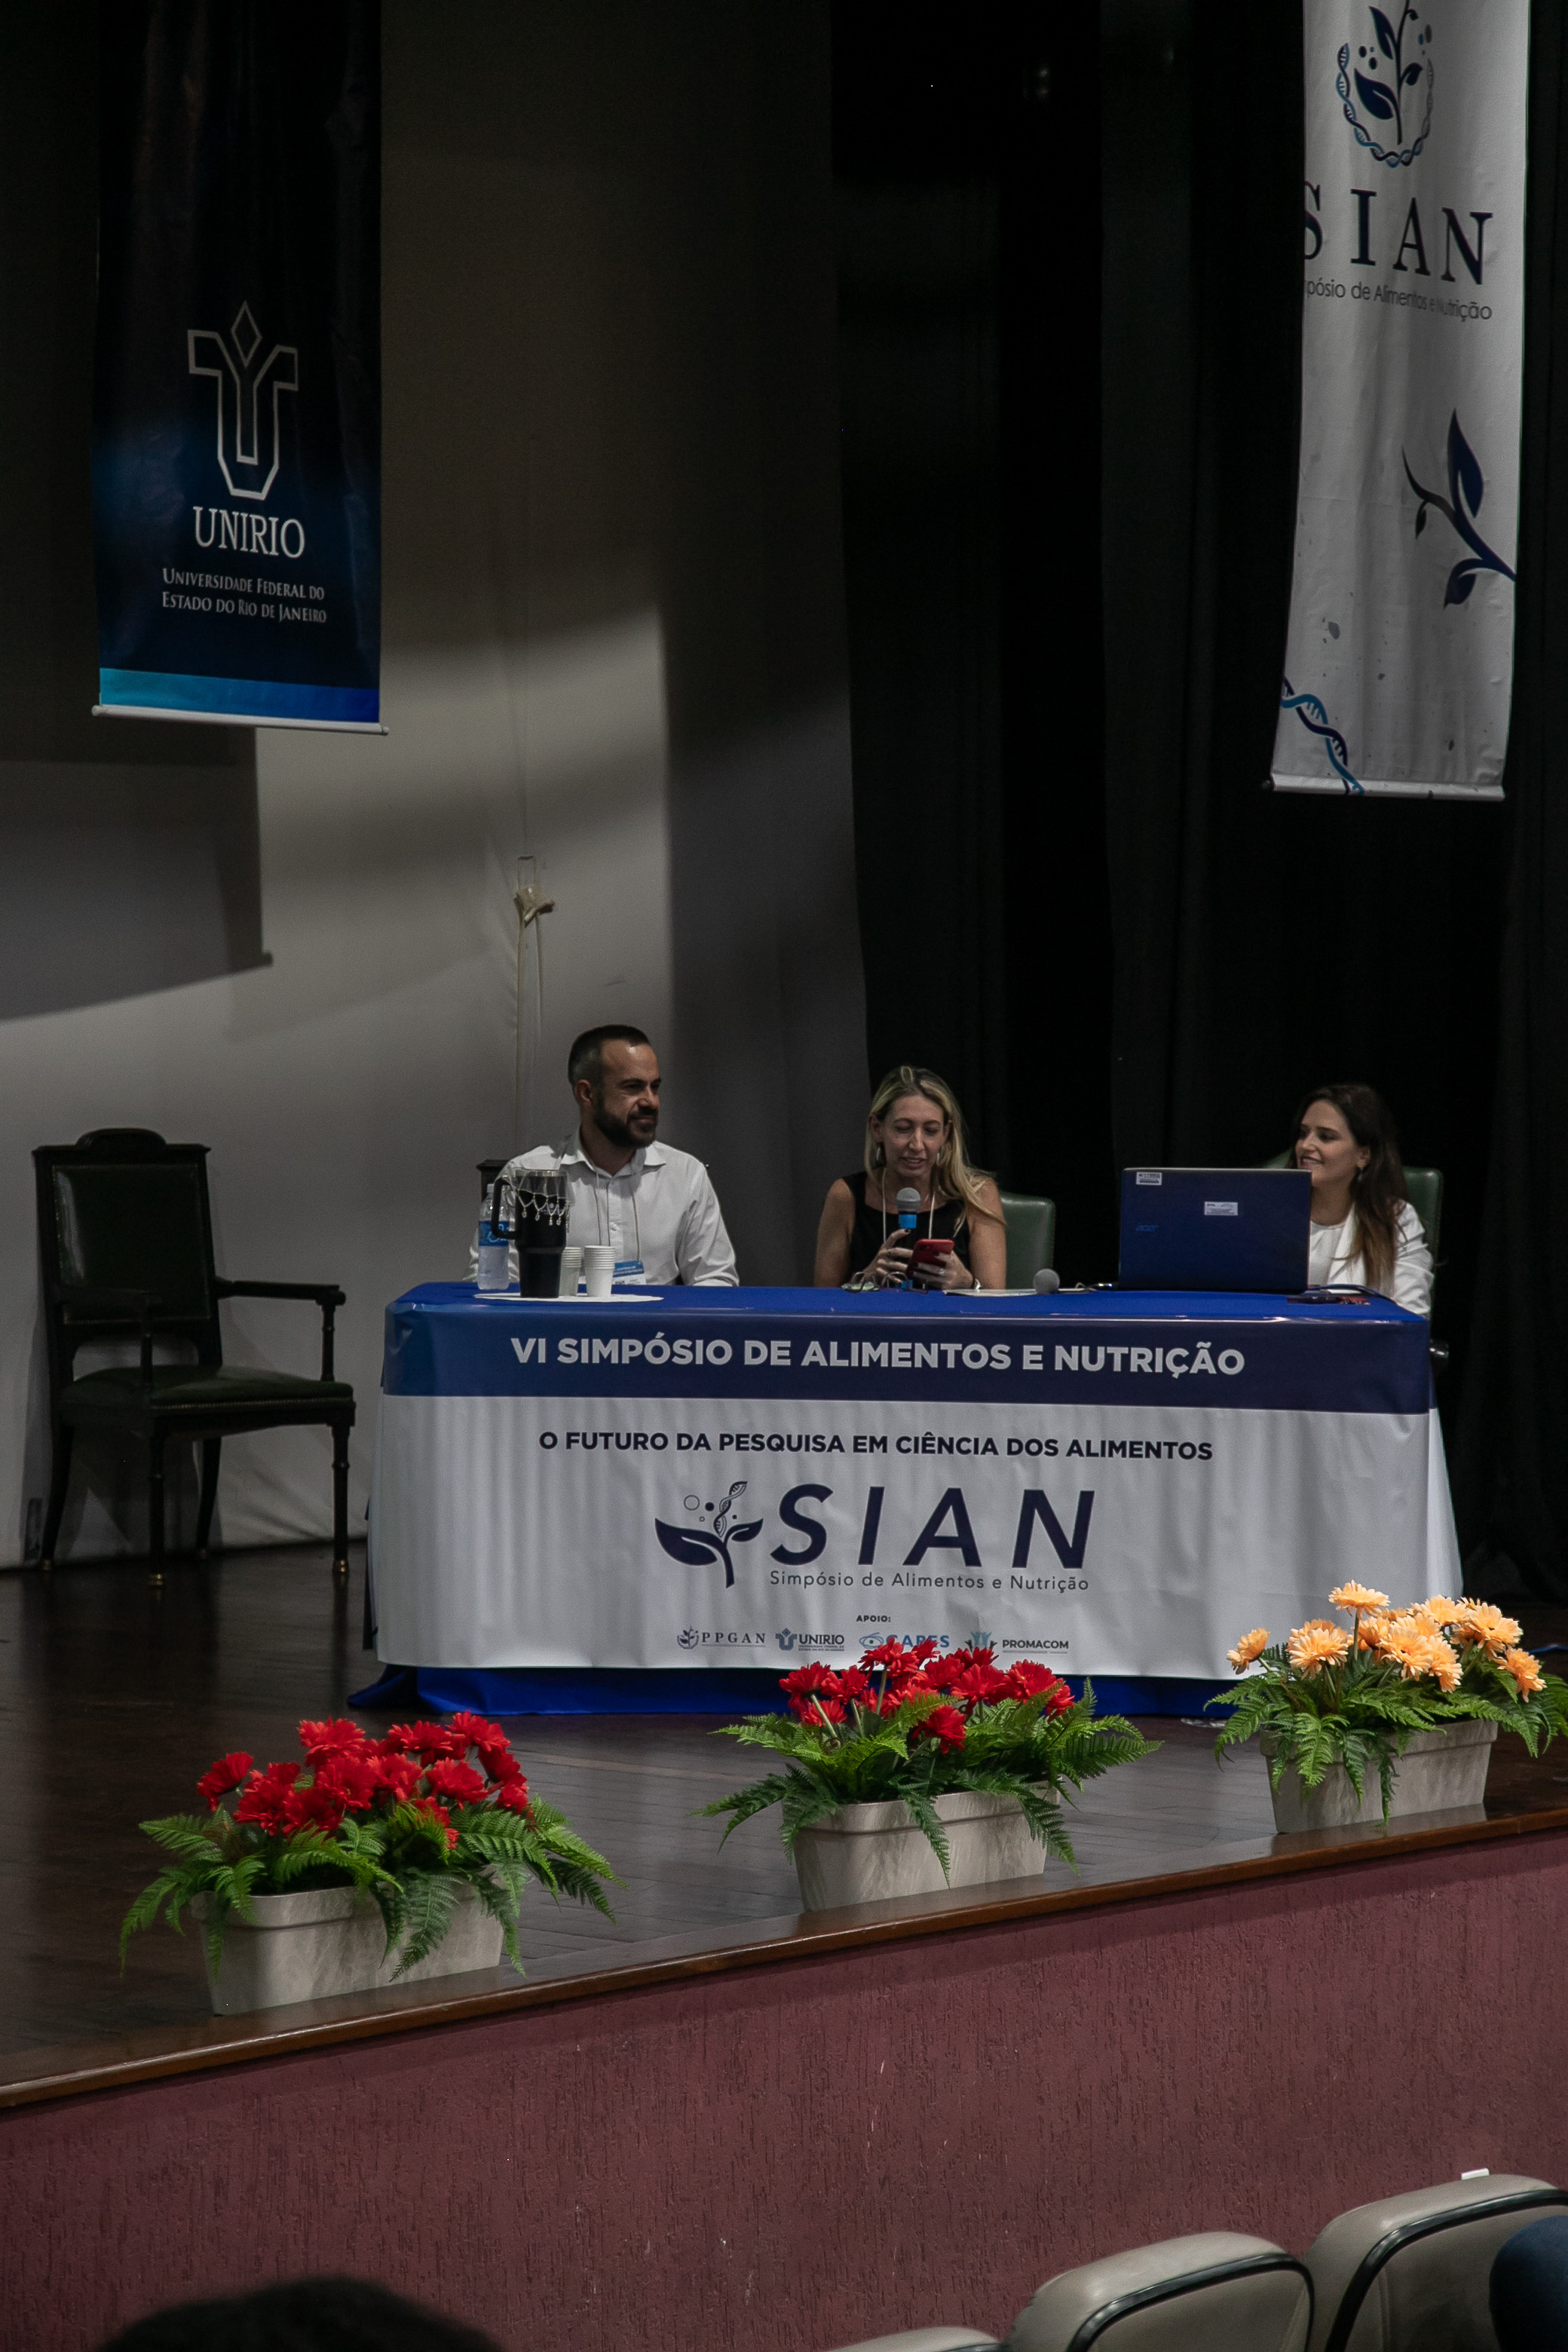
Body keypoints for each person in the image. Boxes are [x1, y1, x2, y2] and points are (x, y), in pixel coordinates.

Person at [483, 1024, 737, 1287]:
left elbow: (715, 1279)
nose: (651, 1101)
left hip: (659, 1315)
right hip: (561, 1314)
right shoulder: (526, 1176)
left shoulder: (685, 1174)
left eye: (654, 1087)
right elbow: (491, 1281)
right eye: (633, 1087)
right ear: (587, 1093)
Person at [814, 1064, 1006, 1291]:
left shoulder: (978, 1194)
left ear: (945, 1133)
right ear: (877, 1128)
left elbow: (995, 1299)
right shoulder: (846, 1196)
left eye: (931, 1131)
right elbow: (822, 1299)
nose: (917, 1145)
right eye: (903, 1128)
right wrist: (866, 1279)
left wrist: (966, 1282)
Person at [1291, 1081, 1432, 1316]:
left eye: (1326, 1137)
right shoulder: (1270, 1211)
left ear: (1363, 1155)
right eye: (1303, 1134)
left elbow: (1411, 1315)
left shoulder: (1395, 1218)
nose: (1306, 1145)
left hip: (1362, 1339)